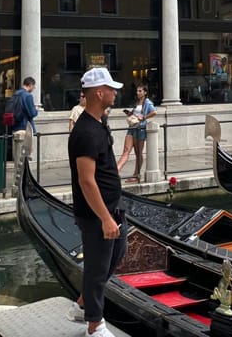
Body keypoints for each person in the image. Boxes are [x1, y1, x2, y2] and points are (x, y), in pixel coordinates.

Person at [67, 67, 127, 337]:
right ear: (99, 92)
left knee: (118, 252)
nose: (116, 92)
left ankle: (83, 303)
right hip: (95, 213)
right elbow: (86, 181)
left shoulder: (99, 123)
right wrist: (104, 218)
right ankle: (94, 324)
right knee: (97, 265)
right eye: (111, 89)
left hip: (112, 207)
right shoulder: (86, 132)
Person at [117, 84, 156, 183]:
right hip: (132, 127)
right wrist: (129, 113)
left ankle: (136, 175)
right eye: (137, 91)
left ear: (145, 92)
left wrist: (144, 117)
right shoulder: (137, 102)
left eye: (140, 91)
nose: (137, 93)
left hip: (140, 128)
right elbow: (135, 114)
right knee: (126, 150)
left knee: (138, 153)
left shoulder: (147, 102)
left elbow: (154, 112)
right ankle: (116, 172)